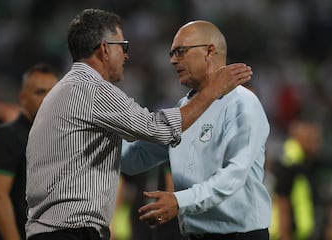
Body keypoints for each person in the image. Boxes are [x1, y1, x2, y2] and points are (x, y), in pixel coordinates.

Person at [25, 8, 252, 240]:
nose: (126, 56)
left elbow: (129, 159)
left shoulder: (66, 89)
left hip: (50, 230)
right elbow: (157, 129)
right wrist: (212, 91)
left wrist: (187, 135)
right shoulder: (92, 89)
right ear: (104, 49)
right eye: (122, 47)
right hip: (70, 232)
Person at [121, 20, 271, 240]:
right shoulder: (184, 109)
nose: (173, 60)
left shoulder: (242, 103)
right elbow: (136, 157)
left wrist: (179, 201)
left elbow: (233, 176)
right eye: (171, 53)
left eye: (180, 52)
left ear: (209, 50)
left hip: (240, 235)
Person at [0, 63, 58, 240]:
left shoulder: (57, 139)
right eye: (40, 92)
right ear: (23, 98)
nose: (48, 98)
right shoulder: (7, 137)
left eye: (53, 92)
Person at [273, 120, 322, 240]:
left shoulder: (303, 162)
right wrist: (285, 235)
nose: (316, 143)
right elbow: (282, 201)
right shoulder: (289, 163)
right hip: (288, 235)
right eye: (311, 138)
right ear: (298, 138)